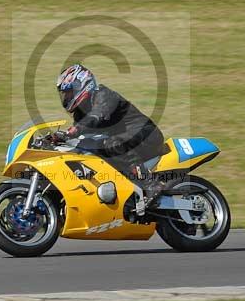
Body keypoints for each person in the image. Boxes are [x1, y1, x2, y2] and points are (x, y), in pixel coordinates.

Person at [55, 63, 167, 210]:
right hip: (128, 143)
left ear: (81, 84)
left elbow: (97, 116)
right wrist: (58, 141)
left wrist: (74, 130)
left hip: (146, 135)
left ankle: (151, 184)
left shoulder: (102, 94)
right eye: (65, 94)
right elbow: (80, 137)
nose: (66, 97)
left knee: (111, 143)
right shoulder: (80, 113)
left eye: (69, 92)